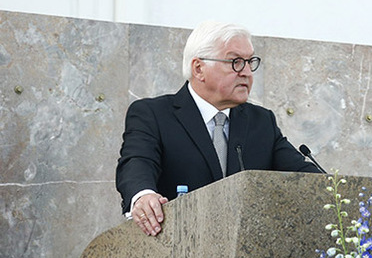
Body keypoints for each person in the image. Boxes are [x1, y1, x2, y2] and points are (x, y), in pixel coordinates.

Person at [116, 21, 319, 236]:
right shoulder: (154, 114)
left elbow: (303, 176)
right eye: (236, 62)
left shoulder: (262, 122)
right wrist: (143, 196)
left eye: (250, 62)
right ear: (199, 68)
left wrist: (336, 192)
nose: (247, 72)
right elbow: (136, 163)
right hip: (176, 249)